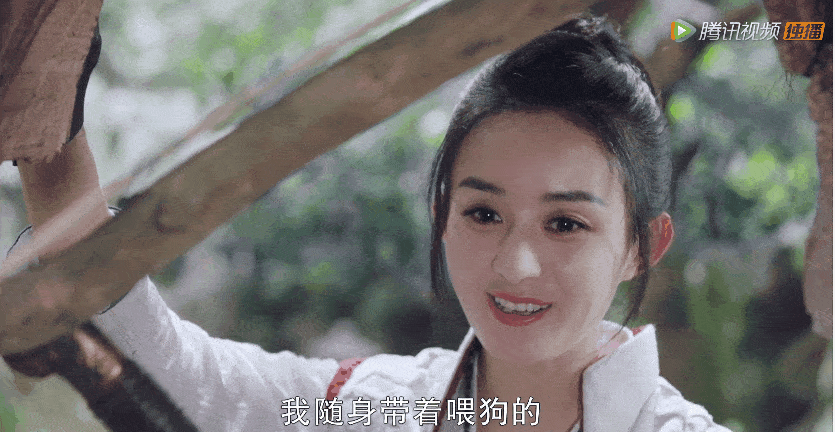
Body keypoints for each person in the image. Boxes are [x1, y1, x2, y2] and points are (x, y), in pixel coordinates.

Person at [7, 16, 730, 432]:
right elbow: (192, 381)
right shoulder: (374, 408)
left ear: (642, 245)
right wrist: (51, 141)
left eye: (565, 224)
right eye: (483, 212)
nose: (516, 264)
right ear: (442, 215)